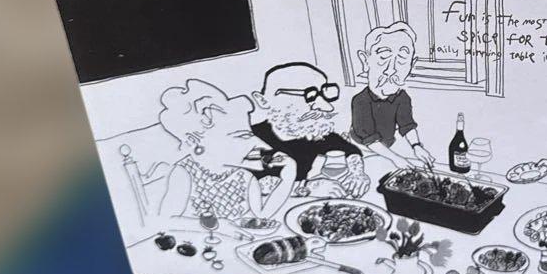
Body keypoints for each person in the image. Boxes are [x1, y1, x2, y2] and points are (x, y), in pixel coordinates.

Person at [157, 79, 296, 221]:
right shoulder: (185, 173)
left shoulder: (243, 175)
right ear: (195, 141)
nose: (265, 147)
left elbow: (263, 215)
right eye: (242, 136)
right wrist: (222, 227)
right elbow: (166, 221)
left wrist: (288, 176)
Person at [251, 62, 370, 199]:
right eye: (309, 96)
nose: (326, 106)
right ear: (263, 101)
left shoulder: (312, 131)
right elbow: (252, 184)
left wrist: (357, 173)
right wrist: (306, 187)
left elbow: (350, 151)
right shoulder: (251, 138)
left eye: (324, 94)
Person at [349, 23, 435, 169]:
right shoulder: (360, 101)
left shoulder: (402, 97)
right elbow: (369, 140)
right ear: (365, 61)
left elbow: (407, 125)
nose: (391, 70)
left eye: (402, 58)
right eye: (383, 56)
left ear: (412, 64)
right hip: (361, 150)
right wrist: (396, 159)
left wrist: (417, 146)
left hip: (388, 149)